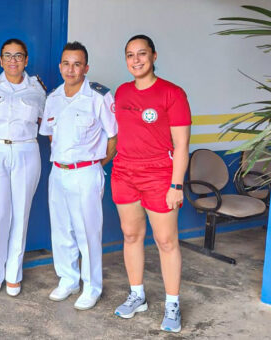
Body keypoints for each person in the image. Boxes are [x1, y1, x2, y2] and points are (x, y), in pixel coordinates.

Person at [111, 35, 191, 333]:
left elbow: (182, 146)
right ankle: (137, 295)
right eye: (130, 55)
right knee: (131, 235)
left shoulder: (172, 93)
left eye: (141, 54)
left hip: (160, 177)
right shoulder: (121, 93)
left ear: (154, 56)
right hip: (124, 174)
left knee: (166, 241)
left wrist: (177, 185)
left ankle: (172, 303)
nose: (136, 60)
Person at [39, 41, 118, 310]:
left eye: (76, 64)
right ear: (60, 66)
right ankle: (68, 279)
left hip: (86, 173)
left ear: (86, 68)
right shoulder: (53, 98)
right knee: (61, 230)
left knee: (87, 233)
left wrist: (96, 164)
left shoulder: (99, 97)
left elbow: (113, 137)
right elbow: (52, 136)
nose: (70, 69)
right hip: (58, 172)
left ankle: (92, 286)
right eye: (66, 63)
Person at [0, 39, 46, 296]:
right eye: (7, 56)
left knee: (21, 212)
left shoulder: (37, 88)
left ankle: (13, 273)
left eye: (18, 56)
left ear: (26, 60)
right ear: (0, 60)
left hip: (27, 150)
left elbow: (44, 121)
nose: (13, 61)